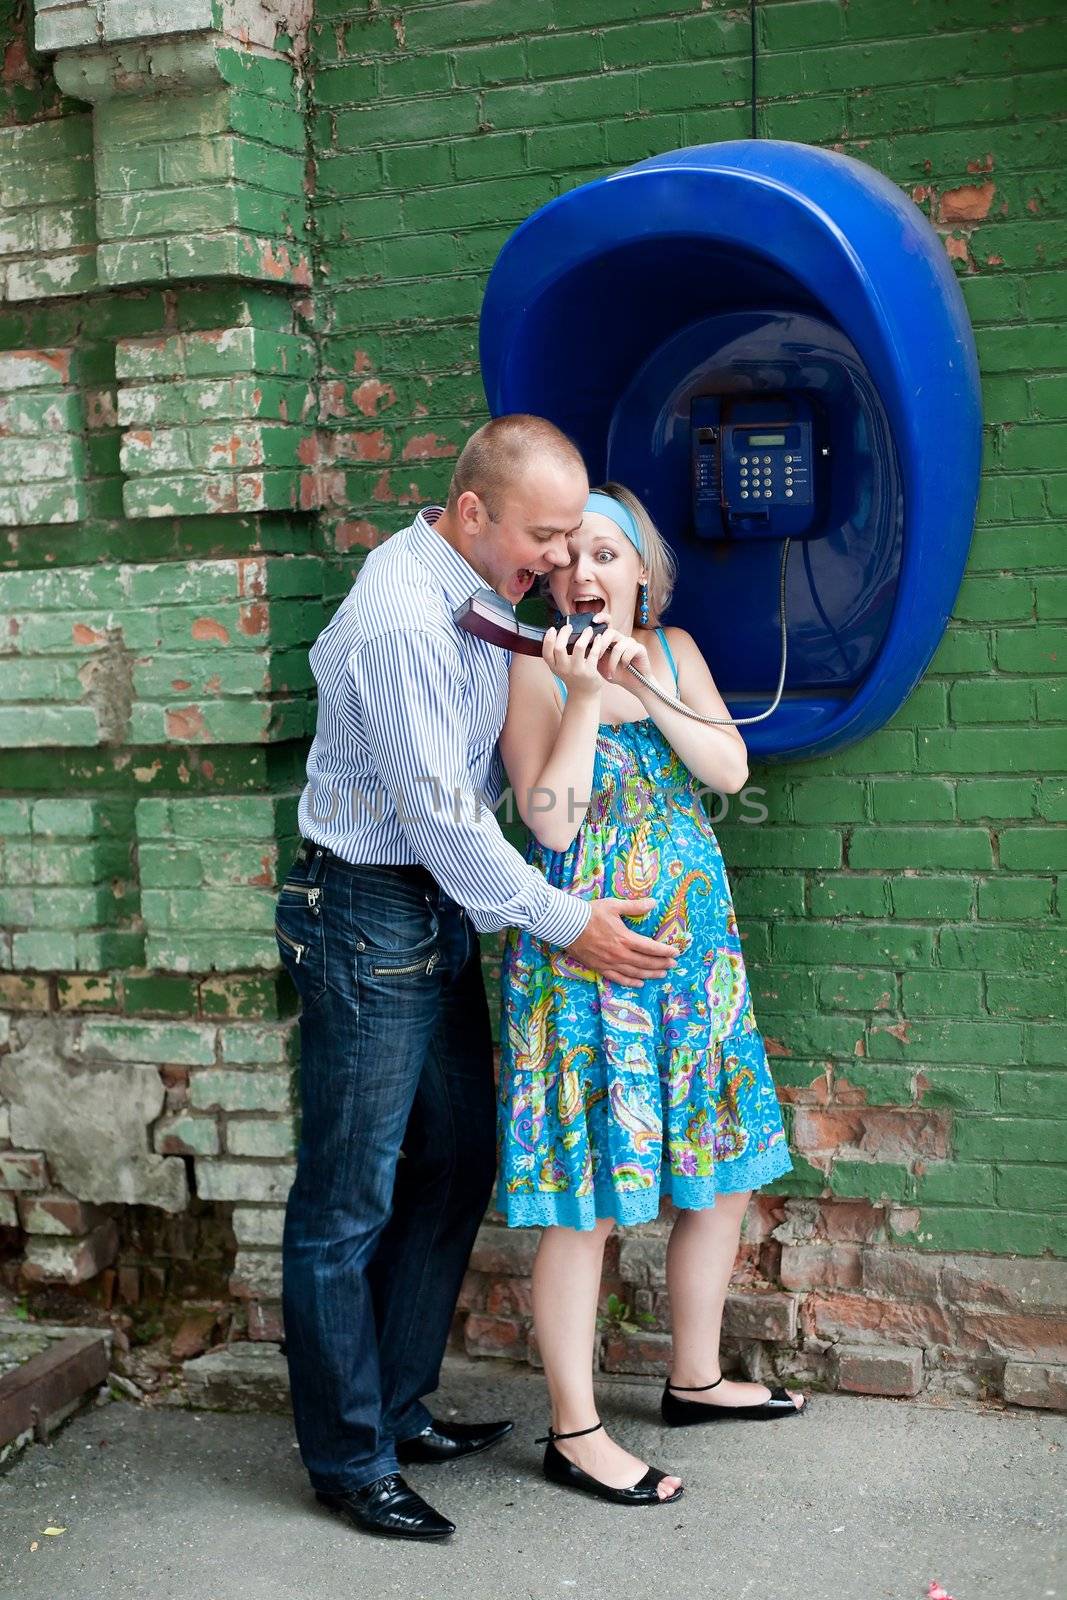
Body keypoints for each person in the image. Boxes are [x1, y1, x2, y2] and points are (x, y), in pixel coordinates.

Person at [275, 422, 679, 1543]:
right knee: (344, 1203)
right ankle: (349, 1460)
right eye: (544, 536)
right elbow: (445, 827)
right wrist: (568, 928)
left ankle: (397, 1408)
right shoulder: (405, 615)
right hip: (365, 910)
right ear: (469, 515)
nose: (558, 559)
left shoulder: (471, 586)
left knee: (456, 1163)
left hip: (429, 908)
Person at [497, 484, 804, 1509]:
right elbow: (548, 820)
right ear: (547, 576)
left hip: (692, 968)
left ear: (641, 572)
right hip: (587, 972)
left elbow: (726, 766)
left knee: (717, 1176)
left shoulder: (675, 655)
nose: (586, 576)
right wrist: (585, 696)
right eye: (568, 559)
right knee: (586, 1202)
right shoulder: (529, 665)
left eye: (607, 556)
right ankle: (575, 1431)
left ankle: (695, 1377)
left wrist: (647, 684)